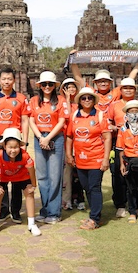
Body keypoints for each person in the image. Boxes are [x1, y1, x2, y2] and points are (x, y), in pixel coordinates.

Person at [70, 51, 138, 219]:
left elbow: (130, 78)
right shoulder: (90, 94)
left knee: (118, 171)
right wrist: (73, 60)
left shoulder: (115, 93)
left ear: (110, 83)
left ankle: (122, 203)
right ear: (95, 83)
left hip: (115, 138)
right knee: (89, 175)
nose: (103, 83)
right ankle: (88, 202)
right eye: (100, 81)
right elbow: (78, 78)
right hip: (93, 138)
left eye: (105, 81)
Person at [0, 67, 31, 223]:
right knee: (0, 175)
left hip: (15, 139)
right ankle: (3, 209)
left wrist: (25, 142)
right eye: (4, 79)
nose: (6, 82)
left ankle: (15, 211)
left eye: (9, 79)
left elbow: (25, 120)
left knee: (18, 175)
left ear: (14, 80)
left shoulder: (21, 98)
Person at [65, 87, 112, 230]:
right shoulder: (74, 116)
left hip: (96, 158)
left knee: (94, 187)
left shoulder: (100, 115)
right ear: (79, 100)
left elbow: (107, 138)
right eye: (83, 98)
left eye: (89, 98)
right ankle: (94, 214)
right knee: (86, 188)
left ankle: (94, 219)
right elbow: (69, 137)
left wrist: (106, 159)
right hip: (80, 159)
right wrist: (69, 155)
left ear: (94, 100)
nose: (86, 100)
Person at [106, 77, 138, 218]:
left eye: (131, 88)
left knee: (137, 175)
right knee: (119, 174)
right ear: (120, 90)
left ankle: (137, 206)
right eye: (125, 88)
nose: (128, 90)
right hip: (120, 142)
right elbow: (108, 123)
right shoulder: (114, 105)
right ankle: (120, 204)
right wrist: (117, 128)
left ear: (135, 90)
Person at [29, 71, 69, 224]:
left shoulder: (60, 100)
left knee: (54, 176)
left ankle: (54, 212)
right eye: (44, 84)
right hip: (39, 138)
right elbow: (31, 120)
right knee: (42, 176)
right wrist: (41, 137)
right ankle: (45, 210)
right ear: (39, 85)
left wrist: (48, 138)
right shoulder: (34, 100)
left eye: (50, 84)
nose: (47, 86)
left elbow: (61, 122)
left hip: (55, 138)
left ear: (54, 86)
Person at [0, 128, 41, 236]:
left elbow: (31, 169)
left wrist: (33, 185)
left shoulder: (24, 155)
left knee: (29, 193)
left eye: (16, 147)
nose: (13, 150)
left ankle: (32, 224)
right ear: (4, 146)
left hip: (21, 176)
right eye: (10, 147)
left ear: (20, 146)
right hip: (4, 177)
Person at [59, 78, 85, 211]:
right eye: (68, 87)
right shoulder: (60, 102)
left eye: (73, 87)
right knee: (67, 173)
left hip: (79, 141)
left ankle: (79, 198)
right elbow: (68, 117)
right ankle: (66, 199)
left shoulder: (81, 103)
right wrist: (68, 100)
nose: (71, 89)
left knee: (79, 172)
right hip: (66, 141)